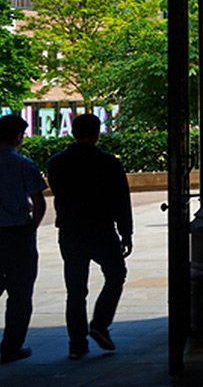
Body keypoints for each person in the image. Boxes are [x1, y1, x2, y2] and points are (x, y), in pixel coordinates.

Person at [46, 113, 132, 360]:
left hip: (70, 230)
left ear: (73, 132)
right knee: (116, 274)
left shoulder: (56, 162)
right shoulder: (108, 163)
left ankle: (77, 344)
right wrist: (126, 233)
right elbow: (121, 200)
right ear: (97, 133)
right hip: (101, 228)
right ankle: (100, 324)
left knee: (75, 290)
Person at [0, 115, 46, 364]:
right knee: (20, 294)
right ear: (18, 136)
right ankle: (11, 347)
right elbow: (39, 202)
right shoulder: (24, 164)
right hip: (18, 233)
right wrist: (32, 227)